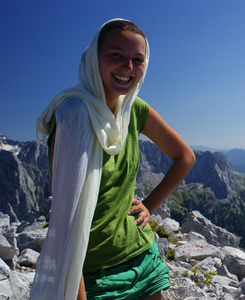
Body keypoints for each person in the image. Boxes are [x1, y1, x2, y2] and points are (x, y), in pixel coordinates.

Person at [31, 18, 196, 300]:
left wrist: (149, 206)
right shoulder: (74, 114)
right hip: (92, 272)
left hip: (141, 256)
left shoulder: (134, 108)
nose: (128, 67)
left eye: (137, 59)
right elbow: (66, 220)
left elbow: (185, 157)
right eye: (116, 55)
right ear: (95, 58)